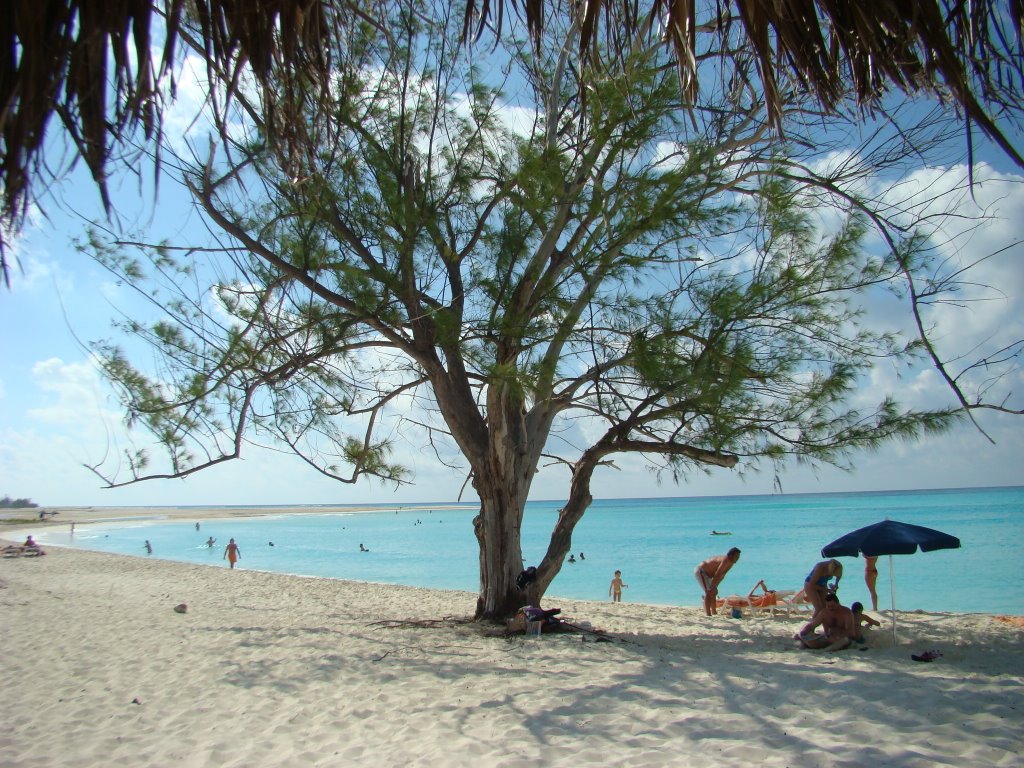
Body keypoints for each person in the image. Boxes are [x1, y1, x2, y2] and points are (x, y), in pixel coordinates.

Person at [695, 547, 741, 616]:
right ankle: (708, 614)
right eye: (736, 556)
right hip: (701, 571)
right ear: (731, 555)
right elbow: (718, 573)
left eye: (738, 557)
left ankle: (714, 612)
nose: (738, 558)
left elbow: (723, 575)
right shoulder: (726, 560)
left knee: (713, 592)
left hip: (709, 575)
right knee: (708, 591)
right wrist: (713, 586)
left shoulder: (731, 562)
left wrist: (716, 586)